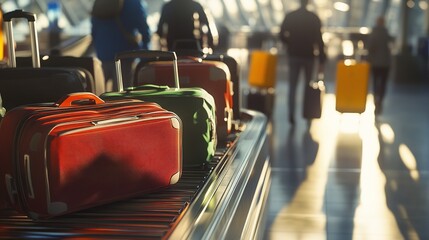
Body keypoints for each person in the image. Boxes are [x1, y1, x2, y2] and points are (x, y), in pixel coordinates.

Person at [279, 0, 326, 125]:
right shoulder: (314, 18)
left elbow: (281, 34)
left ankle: (291, 114)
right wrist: (322, 58)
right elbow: (319, 40)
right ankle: (308, 115)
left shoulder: (291, 16)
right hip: (309, 56)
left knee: (292, 86)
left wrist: (289, 43)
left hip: (294, 54)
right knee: (308, 86)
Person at [91, 0, 151, 91]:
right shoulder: (134, 2)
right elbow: (144, 28)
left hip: (102, 54)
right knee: (121, 96)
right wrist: (145, 53)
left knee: (99, 92)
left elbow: (93, 28)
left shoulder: (100, 2)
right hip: (123, 55)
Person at [367, 16, 392, 115]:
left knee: (375, 82)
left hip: (375, 63)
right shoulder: (386, 33)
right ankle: (380, 100)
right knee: (383, 83)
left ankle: (376, 99)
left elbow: (370, 48)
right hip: (385, 63)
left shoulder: (373, 33)